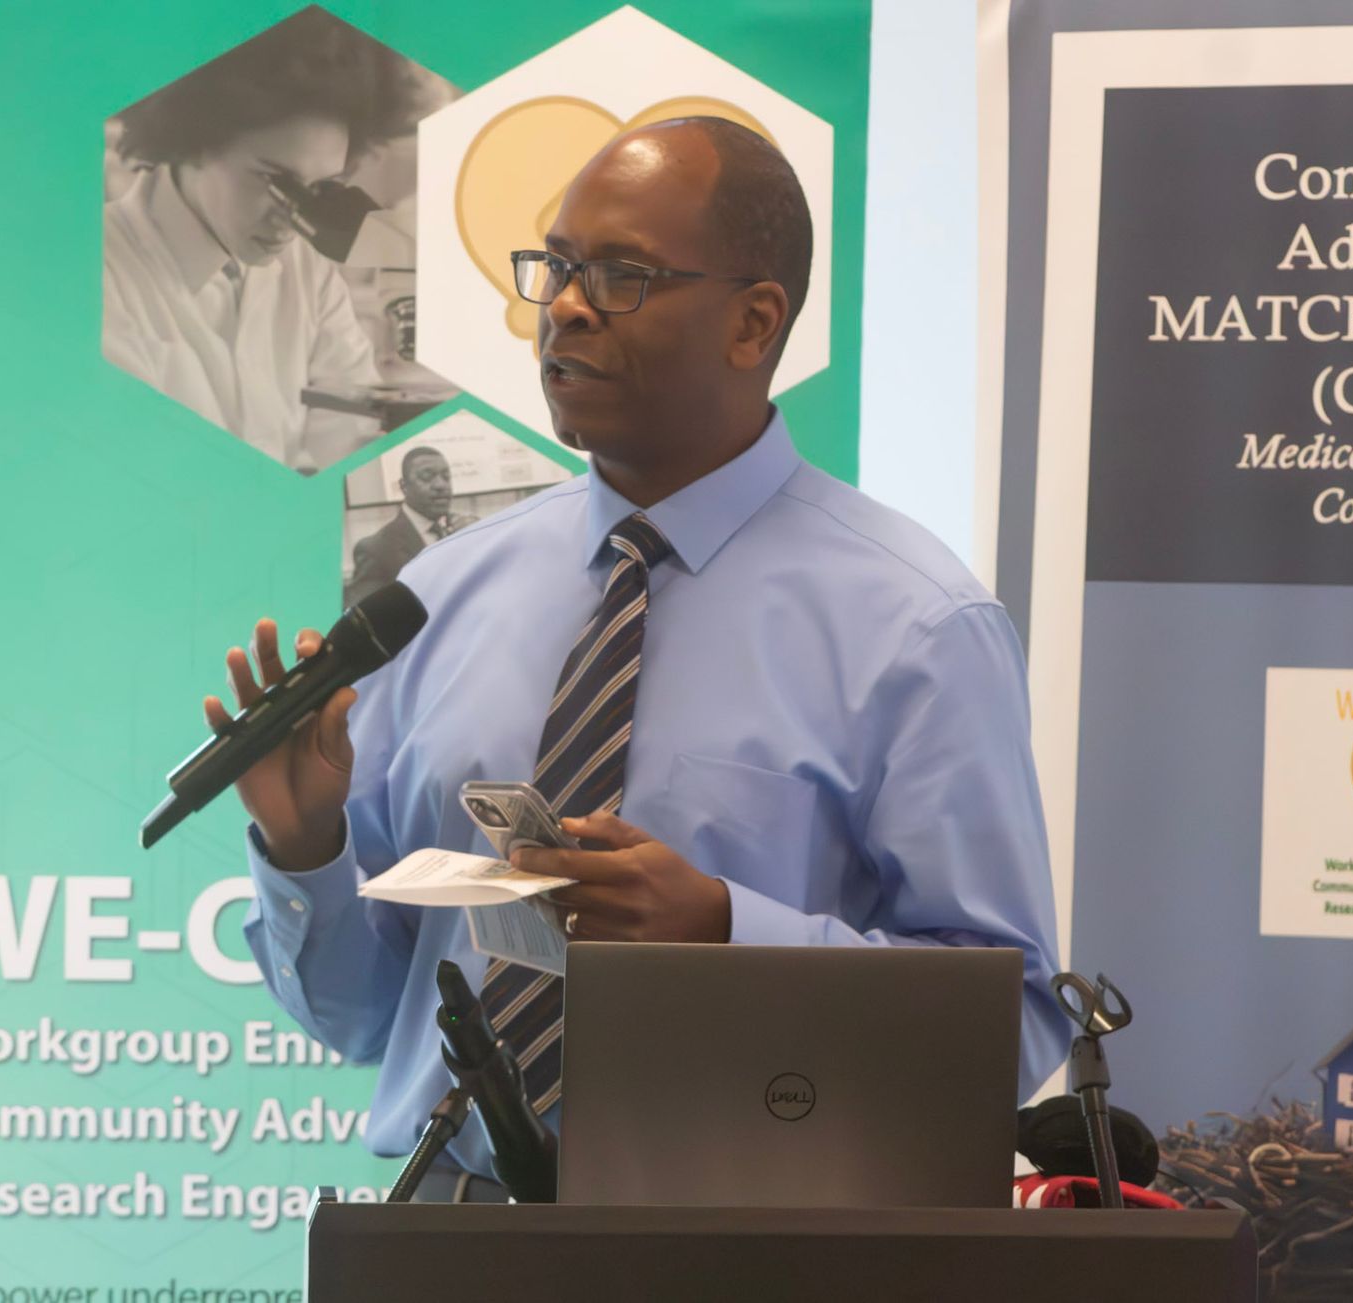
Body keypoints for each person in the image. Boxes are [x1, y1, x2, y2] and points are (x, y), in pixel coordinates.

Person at [212, 118, 1068, 1195]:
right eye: (556, 268)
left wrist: (722, 928)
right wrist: (305, 846)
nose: (564, 306)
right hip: (451, 1232)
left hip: (750, 1248)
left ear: (754, 321)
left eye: (619, 276)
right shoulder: (435, 598)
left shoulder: (918, 625)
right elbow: (360, 1019)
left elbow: (1012, 1026)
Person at [102, 9, 429, 473]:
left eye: (318, 189)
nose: (293, 217)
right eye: (273, 180)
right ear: (193, 141)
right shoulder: (97, 273)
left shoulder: (308, 273)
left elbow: (351, 434)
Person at [344, 445, 478, 608]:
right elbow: (365, 622)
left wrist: (479, 540)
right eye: (427, 477)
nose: (440, 485)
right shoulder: (375, 549)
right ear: (404, 486)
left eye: (446, 476)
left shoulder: (463, 530)